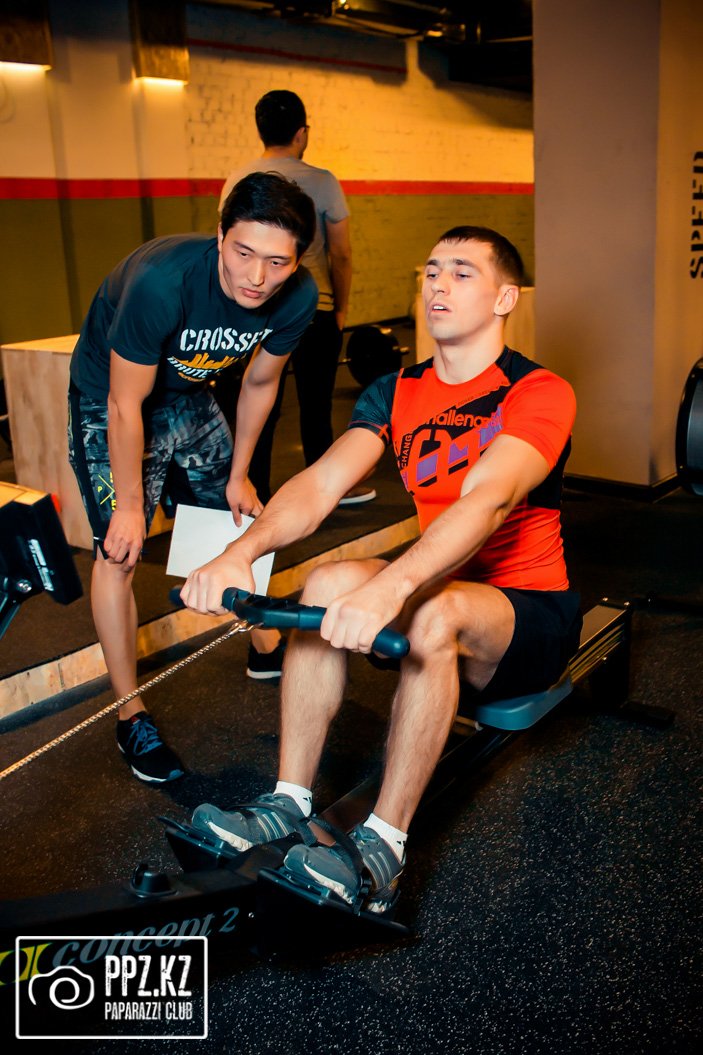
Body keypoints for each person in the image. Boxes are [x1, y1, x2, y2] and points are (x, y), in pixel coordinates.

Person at [180, 225, 583, 914]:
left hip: (528, 612)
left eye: (461, 272)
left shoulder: (537, 390)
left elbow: (488, 500)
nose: (438, 284)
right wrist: (239, 552)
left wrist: (392, 586)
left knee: (434, 612)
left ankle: (385, 847)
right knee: (326, 583)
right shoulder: (396, 390)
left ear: (504, 298)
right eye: (432, 270)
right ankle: (287, 800)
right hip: (442, 582)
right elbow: (321, 483)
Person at [67, 172, 318, 784]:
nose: (256, 277)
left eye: (277, 262)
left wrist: (239, 474)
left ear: (297, 261)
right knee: (118, 553)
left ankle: (263, 648)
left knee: (235, 524)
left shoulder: (297, 296)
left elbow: (260, 382)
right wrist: (131, 506)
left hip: (189, 393)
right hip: (111, 400)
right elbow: (126, 403)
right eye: (243, 252)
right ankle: (130, 714)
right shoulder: (163, 283)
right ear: (220, 235)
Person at [214, 89, 375, 507]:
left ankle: (254, 493)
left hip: (255, 313)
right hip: (314, 308)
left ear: (260, 131)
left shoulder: (238, 179)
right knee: (315, 405)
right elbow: (341, 253)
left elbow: (230, 249)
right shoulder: (322, 181)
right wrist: (340, 308)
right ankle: (324, 493)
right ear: (302, 133)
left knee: (257, 403)